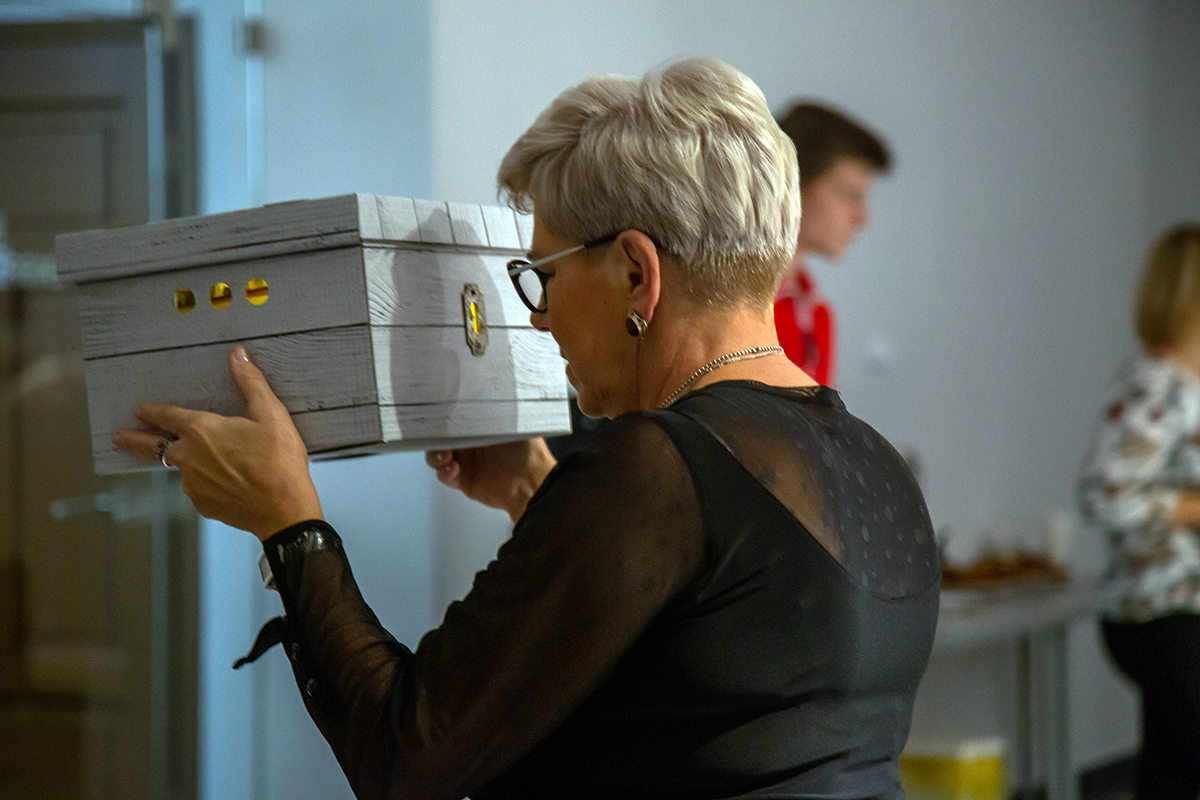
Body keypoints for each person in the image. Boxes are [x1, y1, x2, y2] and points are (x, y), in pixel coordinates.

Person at [114, 58, 939, 800]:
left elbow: (407, 757)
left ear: (635, 272)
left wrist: (288, 524)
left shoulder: (655, 465)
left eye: (543, 276)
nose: (539, 318)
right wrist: (533, 492)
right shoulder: (876, 461)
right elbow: (715, 656)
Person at [1078, 223, 1200, 800]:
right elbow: (1103, 495)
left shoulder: (1188, 387)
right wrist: (1192, 508)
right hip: (1160, 611)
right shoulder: (1155, 387)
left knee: (1170, 770)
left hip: (1181, 607)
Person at [773, 102, 891, 386]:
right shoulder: (736, 303)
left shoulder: (817, 314)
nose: (863, 218)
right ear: (792, 184)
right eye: (850, 195)